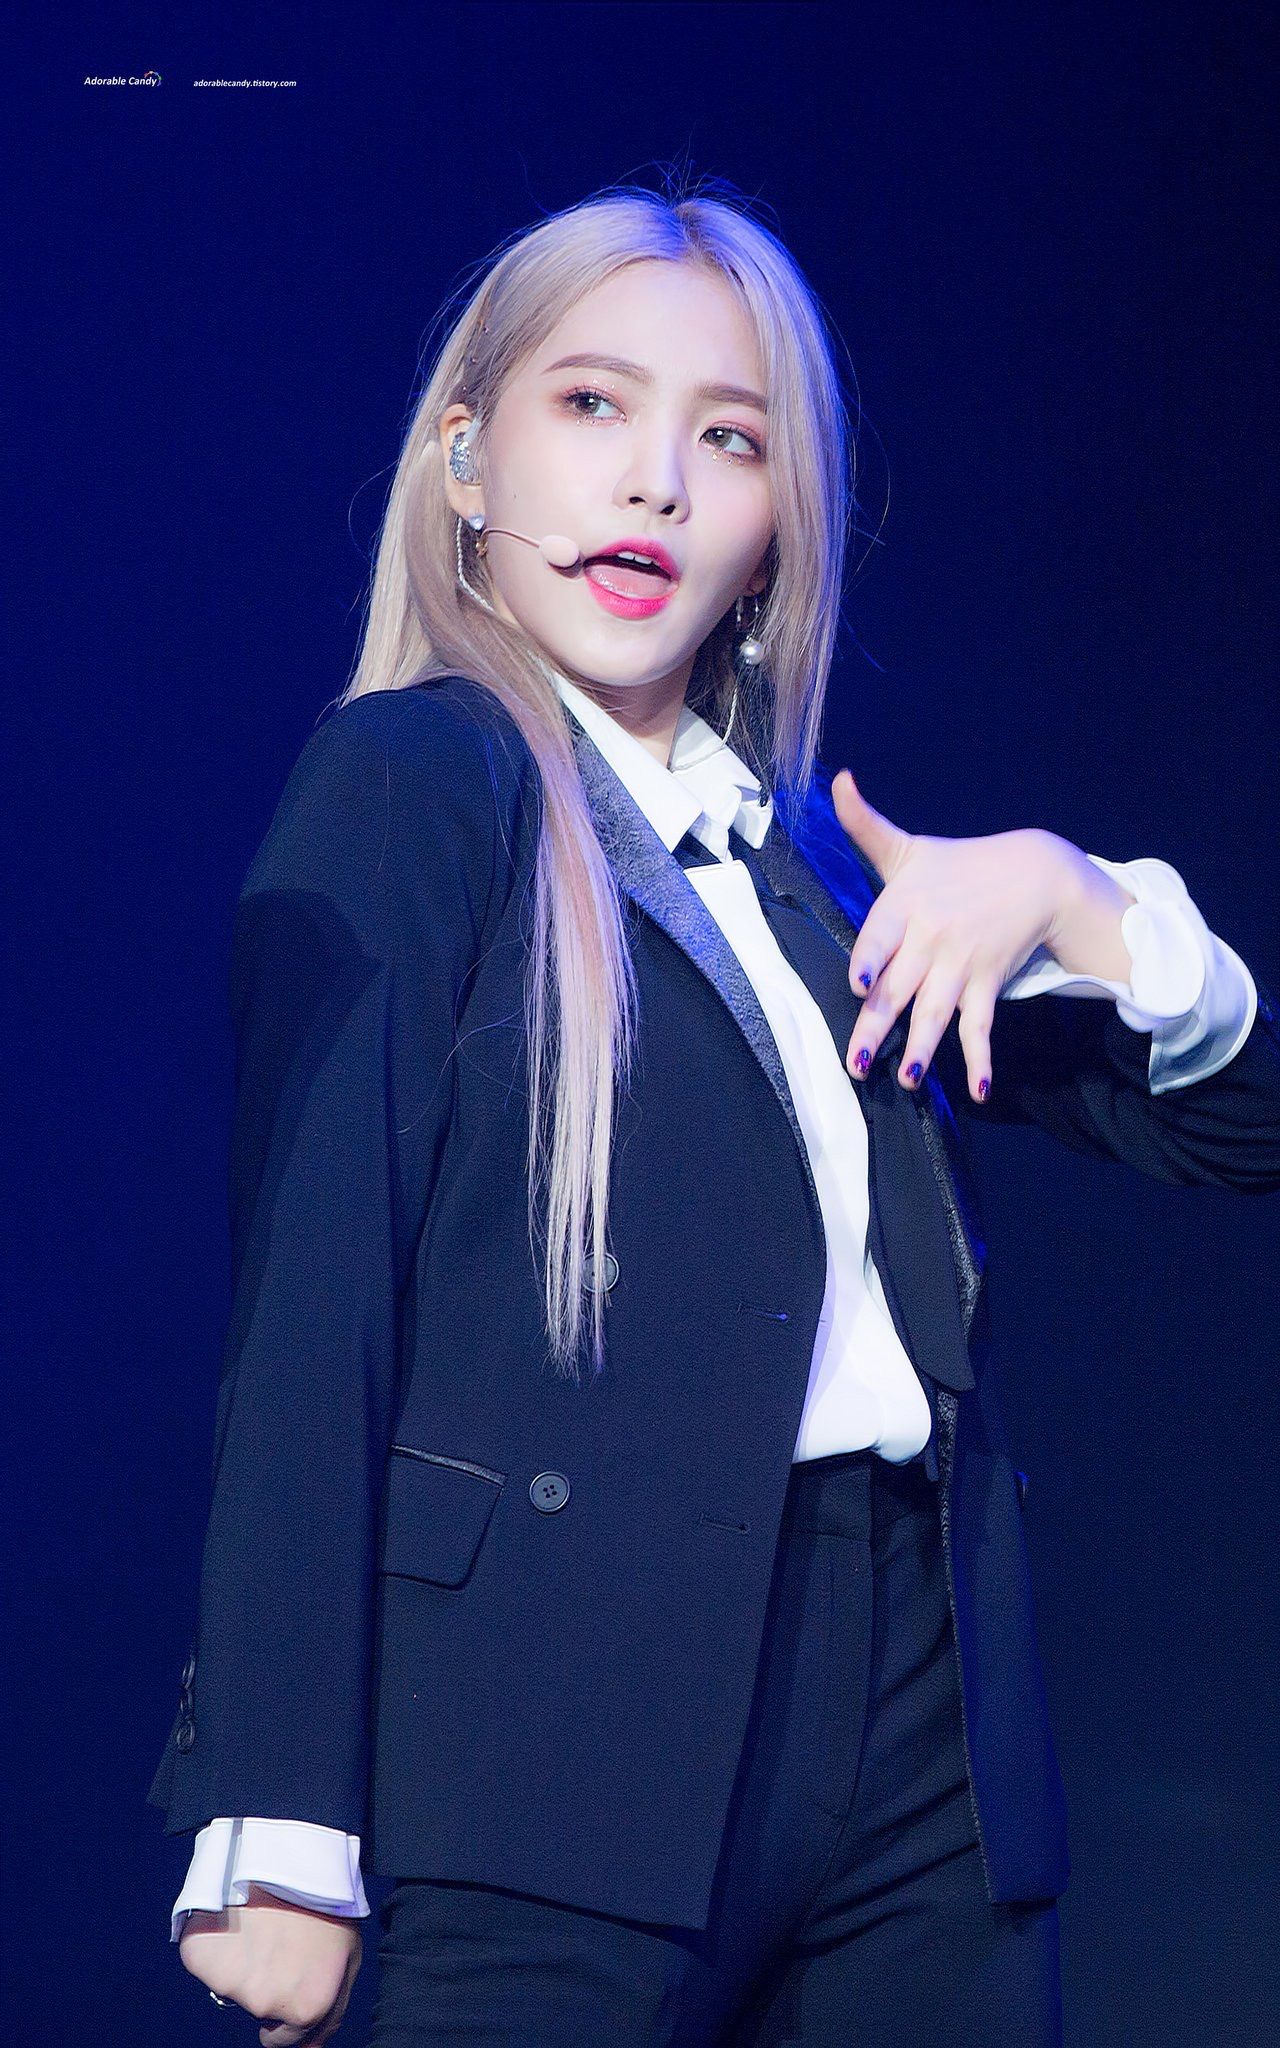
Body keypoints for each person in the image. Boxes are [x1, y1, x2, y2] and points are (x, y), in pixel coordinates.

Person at [147, 180, 1280, 2047]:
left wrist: (1083, 901)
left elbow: (1242, 1130)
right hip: (544, 1734)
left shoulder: (819, 867)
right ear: (466, 460)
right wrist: (275, 1819)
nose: (656, 483)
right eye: (592, 403)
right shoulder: (414, 780)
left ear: (773, 532)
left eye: (730, 438)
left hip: (914, 1737)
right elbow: (308, 1315)